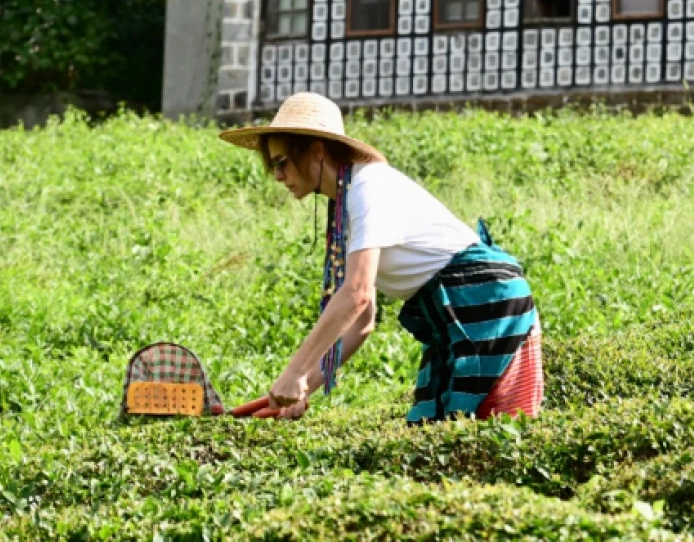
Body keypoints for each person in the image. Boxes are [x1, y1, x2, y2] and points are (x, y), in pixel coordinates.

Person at [219, 93, 542, 422]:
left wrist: (295, 371)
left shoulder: (368, 189)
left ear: (316, 151)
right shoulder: (344, 205)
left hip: (485, 301)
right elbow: (362, 323)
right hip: (451, 308)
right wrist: (302, 388)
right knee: (441, 430)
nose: (277, 175)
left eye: (281, 162)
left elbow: (357, 294)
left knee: (485, 428)